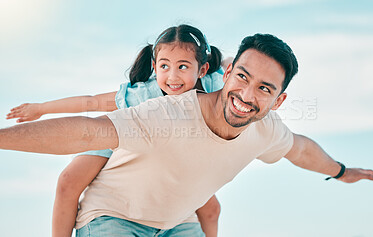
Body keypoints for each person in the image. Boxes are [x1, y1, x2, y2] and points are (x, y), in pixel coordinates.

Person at [0, 33, 373, 237]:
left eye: (264, 89)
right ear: (228, 71)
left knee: (208, 210)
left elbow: (300, 150)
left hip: (177, 223)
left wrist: (342, 170)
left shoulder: (266, 129)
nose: (247, 96)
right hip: (112, 217)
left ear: (278, 101)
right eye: (243, 77)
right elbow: (87, 130)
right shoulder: (165, 111)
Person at [6, 24, 228, 237]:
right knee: (68, 180)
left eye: (182, 66)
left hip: (169, 157)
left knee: (211, 208)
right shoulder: (145, 94)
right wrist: (41, 108)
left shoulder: (215, 86)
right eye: (164, 66)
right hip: (120, 133)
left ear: (202, 69)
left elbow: (240, 65)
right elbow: (92, 102)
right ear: (154, 65)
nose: (172, 77)